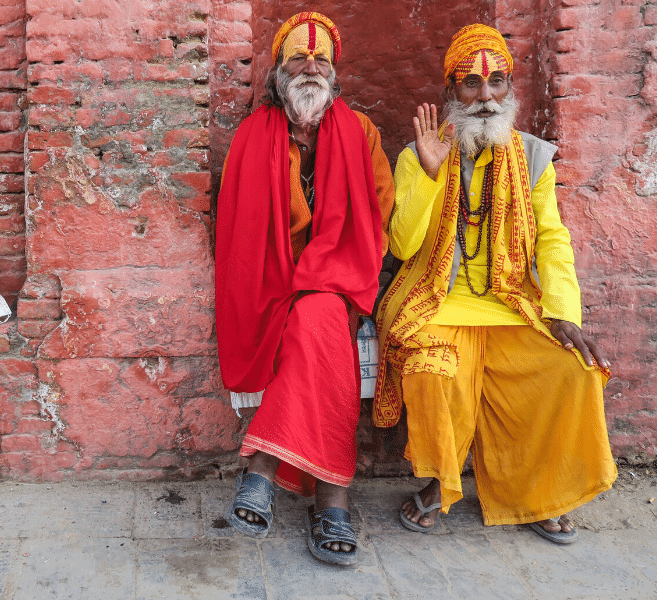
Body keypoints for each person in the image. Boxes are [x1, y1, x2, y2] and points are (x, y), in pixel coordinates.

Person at [374, 24, 616, 544]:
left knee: (572, 370)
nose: (485, 97)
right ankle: (440, 485)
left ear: (511, 90)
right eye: (471, 85)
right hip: (433, 298)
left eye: (497, 84)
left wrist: (563, 311)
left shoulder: (533, 159)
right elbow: (401, 245)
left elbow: (552, 240)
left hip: (509, 300)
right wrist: (426, 172)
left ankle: (539, 491)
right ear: (450, 93)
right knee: (434, 370)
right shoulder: (422, 152)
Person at [215, 12, 393, 565]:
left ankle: (262, 468)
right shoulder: (252, 137)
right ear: (278, 72)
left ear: (335, 74)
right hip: (271, 282)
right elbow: (236, 228)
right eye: (298, 58)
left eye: (321, 60)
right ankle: (331, 500)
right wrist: (289, 275)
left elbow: (378, 216)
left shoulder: (361, 133)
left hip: (341, 280)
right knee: (313, 325)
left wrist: (333, 272)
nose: (310, 67)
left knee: (318, 315)